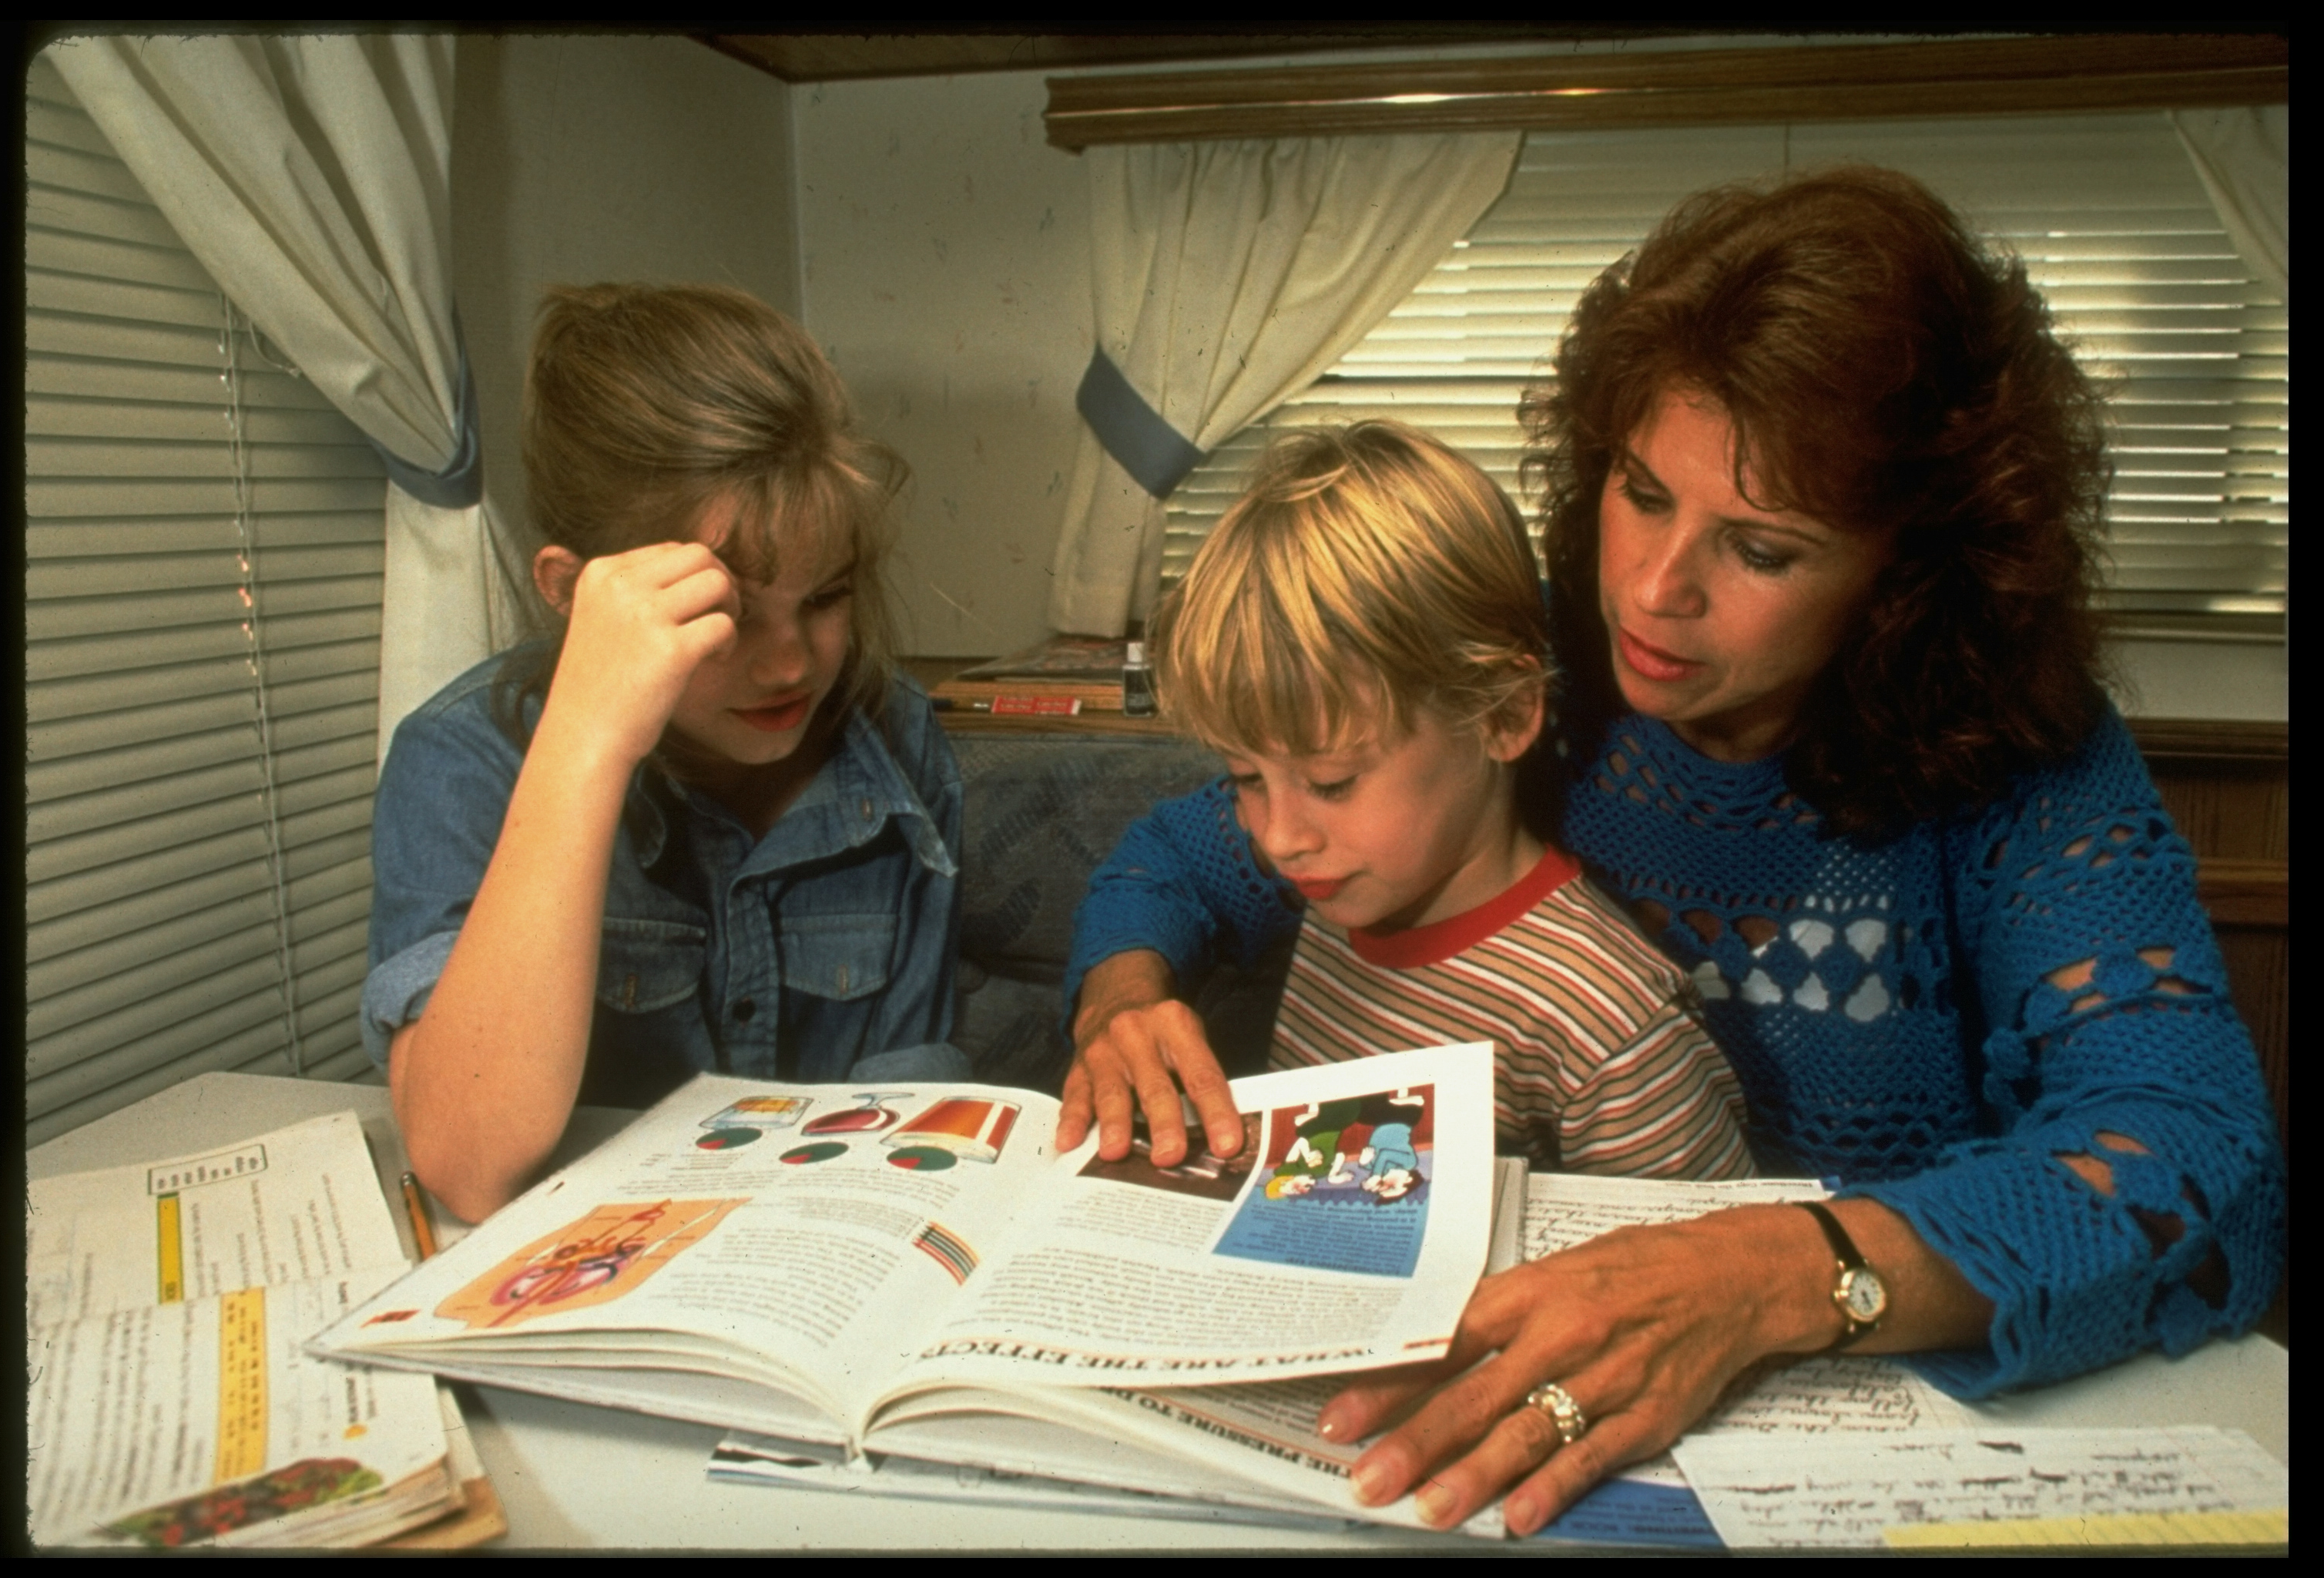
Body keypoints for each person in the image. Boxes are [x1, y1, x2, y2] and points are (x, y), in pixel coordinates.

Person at [1055, 168, 2285, 1536]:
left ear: (1908, 573)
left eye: (1760, 547)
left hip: (1875, 1407)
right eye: (1642, 493)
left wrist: (1775, 1270)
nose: (1651, 591)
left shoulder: (2028, 760)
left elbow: (2194, 1152)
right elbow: (1194, 847)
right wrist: (1124, 990)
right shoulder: (1527, 668)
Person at [364, 284, 964, 1224]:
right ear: (574, 594)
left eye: (826, 598)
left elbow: (912, 1090)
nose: (789, 662)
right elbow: (465, 1161)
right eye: (723, 612)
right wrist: (588, 738)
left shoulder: (893, 734)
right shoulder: (461, 759)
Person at [1131, 420, 1754, 1181]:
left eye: (1332, 781)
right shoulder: (1341, 906)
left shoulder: (1605, 1027)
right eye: (1247, 777)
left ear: (1502, 715)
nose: (1281, 837)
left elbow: (1699, 1275)